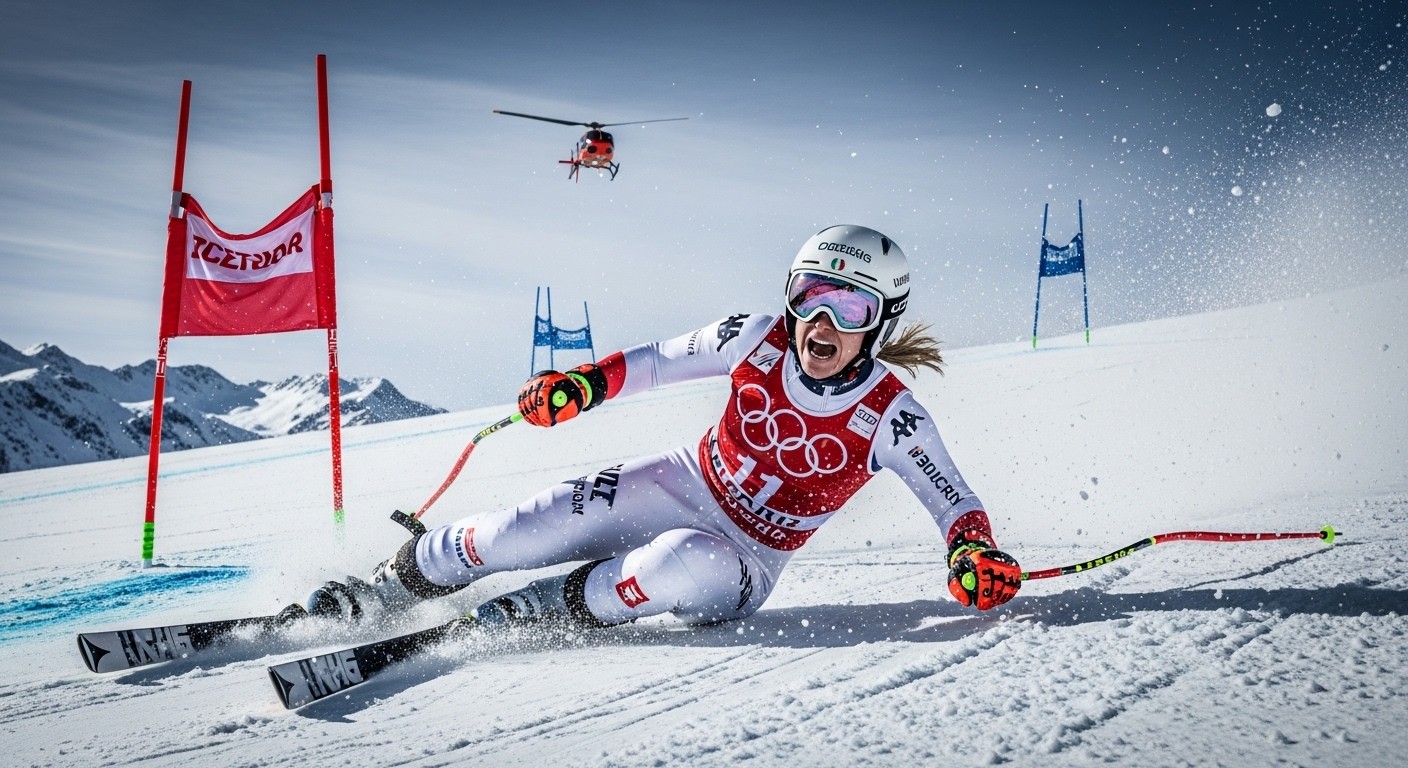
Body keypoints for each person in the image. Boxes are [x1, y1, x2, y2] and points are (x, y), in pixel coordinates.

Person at [303, 225, 1022, 632]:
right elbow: (654, 364)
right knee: (514, 532)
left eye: (852, 309)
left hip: (745, 558)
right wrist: (581, 386)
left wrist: (971, 555)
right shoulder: (758, 337)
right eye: (811, 297)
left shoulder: (891, 413)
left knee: (673, 561)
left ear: (882, 323)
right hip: (680, 479)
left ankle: (538, 610)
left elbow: (954, 501)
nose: (823, 323)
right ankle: (386, 587)